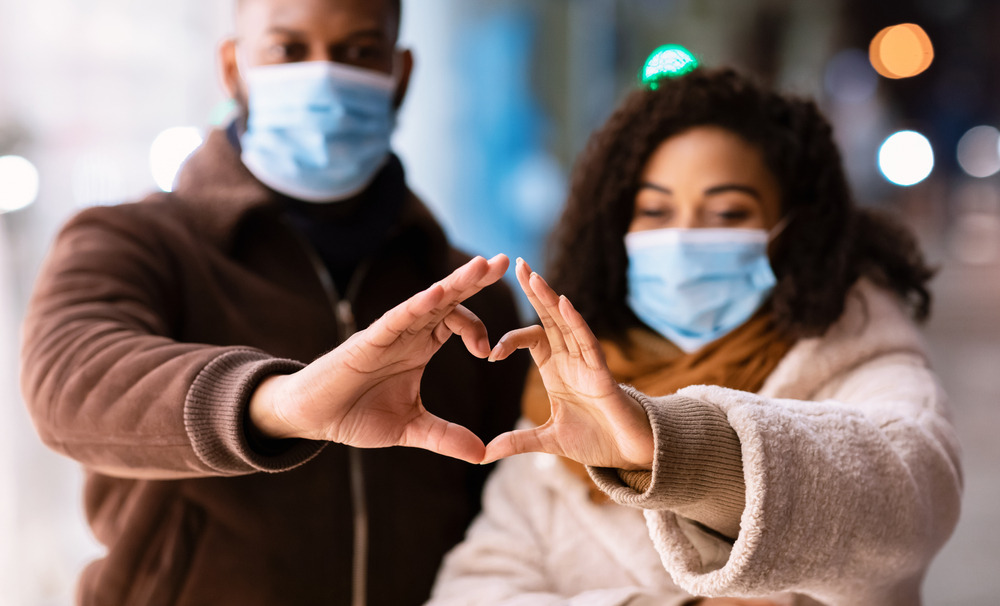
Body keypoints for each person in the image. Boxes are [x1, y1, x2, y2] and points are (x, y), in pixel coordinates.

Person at [19, 0, 528, 604]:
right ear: (233, 67)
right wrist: (281, 405)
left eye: (360, 52)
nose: (325, 75)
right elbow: (70, 381)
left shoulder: (464, 292)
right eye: (288, 50)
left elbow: (510, 507)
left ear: (402, 72)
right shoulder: (136, 240)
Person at [427, 69, 961, 606]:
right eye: (655, 210)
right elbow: (471, 588)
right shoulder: (568, 383)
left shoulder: (861, 355)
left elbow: (911, 498)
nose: (682, 237)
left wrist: (674, 448)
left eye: (728, 213)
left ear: (793, 234)